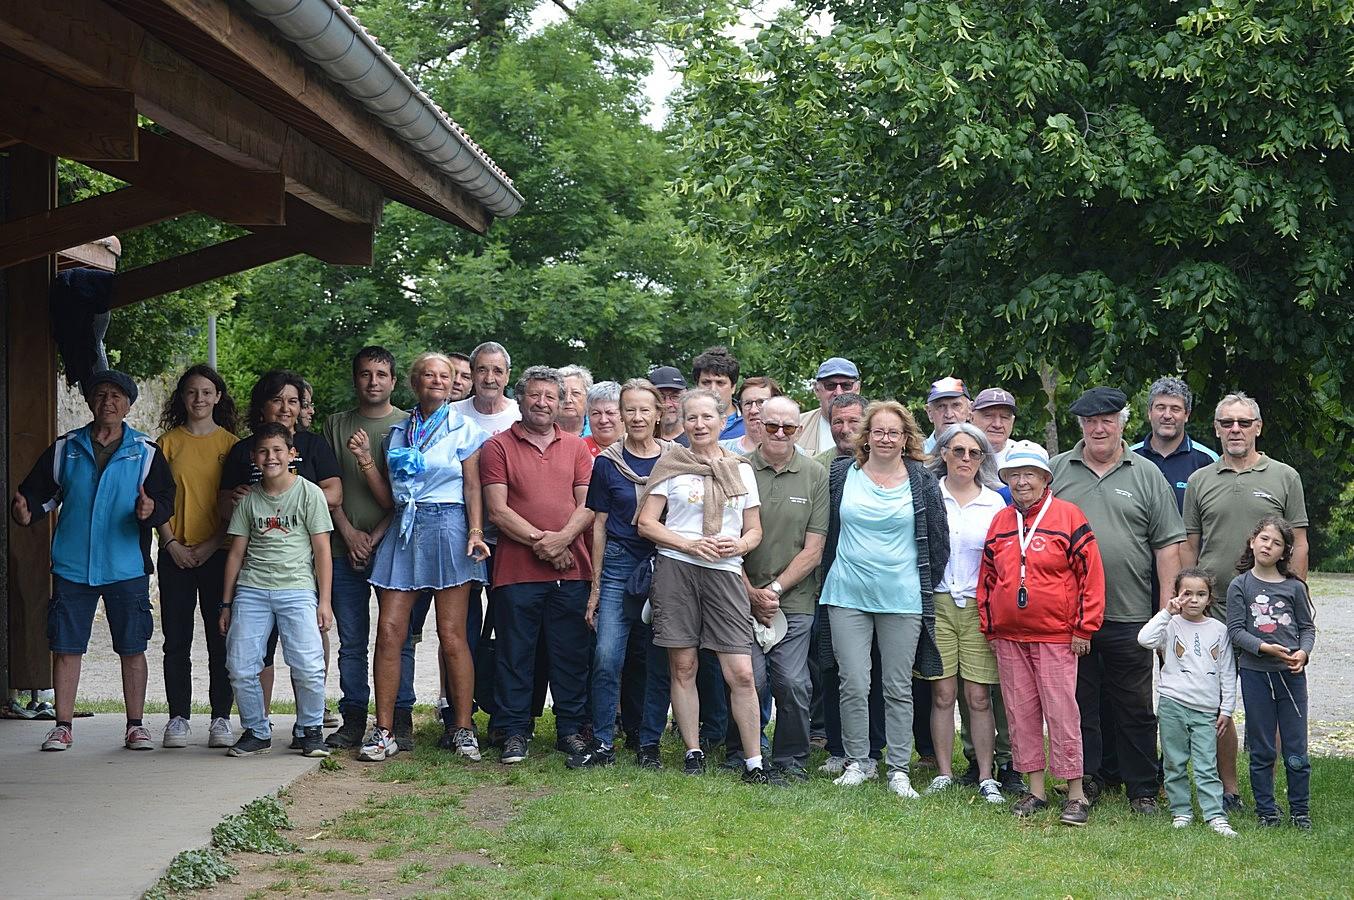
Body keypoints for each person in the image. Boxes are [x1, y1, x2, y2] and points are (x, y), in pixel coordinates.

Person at [16, 371, 175, 753]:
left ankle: (135, 726)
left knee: (132, 647)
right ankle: (62, 726)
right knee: (67, 647)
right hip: (73, 566)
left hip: (126, 569)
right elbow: (40, 495)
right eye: (100, 394)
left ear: (129, 405)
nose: (108, 401)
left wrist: (150, 510)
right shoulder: (65, 448)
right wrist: (24, 512)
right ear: (89, 402)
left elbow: (165, 501)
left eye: (117, 396)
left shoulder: (146, 451)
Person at [1049, 386, 1184, 812]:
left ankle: (1142, 788)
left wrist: (1165, 614)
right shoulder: (1057, 472)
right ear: (1081, 426)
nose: (1099, 428)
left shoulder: (1146, 474)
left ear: (1123, 423)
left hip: (1131, 614)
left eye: (1107, 420)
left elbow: (1167, 549)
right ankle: (1085, 779)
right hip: (1070, 617)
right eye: (1090, 421)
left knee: (1135, 707)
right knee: (1079, 703)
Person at [352, 353, 492, 763]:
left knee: (452, 635)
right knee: (391, 631)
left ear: (453, 384)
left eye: (443, 376)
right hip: (405, 529)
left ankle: (464, 728)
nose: (435, 380)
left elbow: (472, 488)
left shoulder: (464, 428)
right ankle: (384, 730)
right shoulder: (397, 433)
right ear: (413, 383)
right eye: (427, 375)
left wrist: (476, 532)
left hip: (449, 526)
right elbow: (388, 499)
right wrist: (363, 460)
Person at [1181, 390, 1308, 810]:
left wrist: (1296, 597)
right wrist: (1186, 598)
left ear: (1258, 428)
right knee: (1218, 700)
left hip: (1270, 614)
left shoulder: (1284, 476)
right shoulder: (1201, 480)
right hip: (1214, 610)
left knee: (1267, 699)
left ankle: (1265, 790)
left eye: (1243, 422)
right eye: (1226, 423)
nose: (1235, 430)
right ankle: (1230, 789)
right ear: (1216, 429)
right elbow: (1190, 546)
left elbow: (1300, 543)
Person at [636, 388, 769, 782]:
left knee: (741, 672)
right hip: (677, 568)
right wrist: (688, 543)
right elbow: (647, 523)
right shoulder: (671, 463)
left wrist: (740, 544)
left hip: (726, 572)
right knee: (684, 664)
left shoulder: (741, 468)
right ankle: (693, 751)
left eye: (706, 418)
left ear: (721, 419)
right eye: (691, 418)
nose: (698, 425)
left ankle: (754, 761)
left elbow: (754, 528)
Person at [819, 400, 948, 800]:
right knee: (853, 681)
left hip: (902, 596)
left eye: (894, 432)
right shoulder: (842, 473)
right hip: (846, 592)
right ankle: (859, 762)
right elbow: (827, 531)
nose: (886, 438)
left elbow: (938, 539)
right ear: (866, 436)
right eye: (878, 431)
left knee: (897, 685)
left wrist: (921, 580)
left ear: (906, 437)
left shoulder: (921, 479)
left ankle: (898, 769)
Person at [978, 440, 1105, 825]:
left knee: (1062, 711)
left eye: (1029, 474)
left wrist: (1085, 627)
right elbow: (987, 575)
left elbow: (1092, 575)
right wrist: (990, 624)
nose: (1021, 482)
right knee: (1020, 712)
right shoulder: (1001, 521)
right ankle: (1034, 790)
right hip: (1010, 636)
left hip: (1057, 635)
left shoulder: (1068, 516)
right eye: (1014, 475)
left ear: (1045, 478)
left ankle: (1076, 794)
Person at [480, 366, 596, 764]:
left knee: (570, 655)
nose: (543, 403)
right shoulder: (497, 447)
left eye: (551, 396)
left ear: (560, 401)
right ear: (521, 398)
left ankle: (570, 731)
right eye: (534, 395)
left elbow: (587, 506)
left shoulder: (578, 448)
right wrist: (545, 544)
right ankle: (514, 730)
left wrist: (562, 540)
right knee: (515, 653)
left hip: (572, 570)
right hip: (516, 572)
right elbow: (497, 510)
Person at [219, 369, 341, 737]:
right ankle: (256, 730)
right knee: (241, 664)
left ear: (293, 454)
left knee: (307, 662)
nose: (286, 407)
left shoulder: (309, 484)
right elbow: (235, 550)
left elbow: (323, 547)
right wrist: (226, 604)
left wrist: (324, 600)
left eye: (293, 400)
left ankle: (311, 728)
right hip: (253, 587)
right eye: (277, 399)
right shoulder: (247, 485)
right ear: (254, 456)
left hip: (298, 586)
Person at [570, 379, 669, 768]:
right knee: (608, 655)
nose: (638, 416)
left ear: (659, 413)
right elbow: (598, 524)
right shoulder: (607, 463)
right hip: (619, 563)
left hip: (665, 564)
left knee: (658, 657)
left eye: (646, 409)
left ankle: (649, 744)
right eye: (630, 409)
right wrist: (595, 587)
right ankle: (604, 743)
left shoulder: (677, 458)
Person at [320, 347, 409, 750]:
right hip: (342, 549)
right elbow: (326, 489)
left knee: (398, 636)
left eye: (381, 374)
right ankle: (353, 717)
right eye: (365, 374)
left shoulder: (409, 424)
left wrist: (374, 537)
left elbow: (407, 495)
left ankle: (400, 718)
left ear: (393, 380)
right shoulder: (335, 425)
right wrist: (349, 533)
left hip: (396, 549)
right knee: (352, 640)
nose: (373, 381)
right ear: (354, 379)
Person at [741, 396, 829, 781]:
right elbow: (723, 536)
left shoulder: (814, 474)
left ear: (798, 429)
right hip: (739, 593)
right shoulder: (738, 469)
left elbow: (814, 549)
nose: (779, 433)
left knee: (793, 681)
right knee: (750, 679)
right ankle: (742, 751)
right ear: (758, 424)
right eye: (772, 425)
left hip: (792, 597)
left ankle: (791, 758)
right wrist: (750, 592)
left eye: (788, 428)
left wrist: (773, 590)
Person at [154, 364, 240, 749]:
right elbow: (155, 502)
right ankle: (178, 718)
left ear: (218, 397)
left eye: (207, 392)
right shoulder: (166, 444)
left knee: (220, 638)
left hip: (219, 553)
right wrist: (171, 543)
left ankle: (221, 718)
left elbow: (238, 507)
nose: (199, 399)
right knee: (176, 639)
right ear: (182, 398)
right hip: (175, 553)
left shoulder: (233, 446)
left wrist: (210, 545)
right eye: (192, 392)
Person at [922, 424, 1007, 802]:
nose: (966, 459)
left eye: (975, 453)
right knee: (942, 693)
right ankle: (943, 772)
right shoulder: (928, 495)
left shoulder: (994, 503)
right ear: (943, 453)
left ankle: (986, 775)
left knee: (978, 696)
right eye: (958, 451)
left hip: (978, 605)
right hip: (938, 602)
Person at [1226, 515, 1316, 829]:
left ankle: (1300, 811)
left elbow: (1307, 628)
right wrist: (1264, 648)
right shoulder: (1240, 585)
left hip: (1291, 676)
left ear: (1284, 553)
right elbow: (1236, 631)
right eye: (1264, 538)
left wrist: (1303, 653)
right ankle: (1266, 811)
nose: (1269, 545)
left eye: (1277, 543)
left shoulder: (1294, 587)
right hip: (1255, 675)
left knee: (1295, 749)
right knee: (1262, 748)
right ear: (1252, 542)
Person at [1137, 567, 1237, 837]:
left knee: (1206, 763)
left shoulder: (1219, 630)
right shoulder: (1170, 624)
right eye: (1187, 594)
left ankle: (1214, 815)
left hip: (1206, 710)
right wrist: (1167, 612)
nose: (1194, 599)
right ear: (1177, 596)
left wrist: (1226, 708)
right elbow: (1144, 639)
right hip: (1172, 705)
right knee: (1174, 762)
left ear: (1210, 598)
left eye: (1201, 594)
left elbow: (1228, 672)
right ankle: (1181, 810)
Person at [1130, 377, 1218, 511]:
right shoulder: (1129, 458)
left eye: (1175, 409)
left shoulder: (1208, 461)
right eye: (1160, 408)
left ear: (1187, 414)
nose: (1167, 415)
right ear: (1149, 412)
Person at [452, 341, 521, 435]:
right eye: (482, 370)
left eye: (497, 371)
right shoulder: (453, 413)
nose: (489, 379)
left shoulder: (521, 414)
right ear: (472, 374)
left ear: (507, 376)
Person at [796, 358, 861, 455]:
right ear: (816, 390)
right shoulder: (795, 427)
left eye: (846, 385)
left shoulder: (875, 426)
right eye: (830, 385)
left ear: (857, 389)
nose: (838, 393)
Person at [691, 346, 745, 439]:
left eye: (720, 383)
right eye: (706, 382)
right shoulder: (685, 424)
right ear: (697, 386)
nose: (713, 389)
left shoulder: (749, 424)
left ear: (733, 387)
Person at [719, 376, 781, 456]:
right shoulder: (721, 451)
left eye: (761, 402)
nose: (753, 410)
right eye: (748, 403)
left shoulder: (792, 453)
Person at [814, 392, 866, 469]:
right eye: (838, 422)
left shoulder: (884, 462)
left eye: (853, 421)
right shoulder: (815, 467)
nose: (845, 430)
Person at [970, 388, 1017, 469]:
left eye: (1004, 417)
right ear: (971, 418)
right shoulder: (957, 454)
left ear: (1012, 422)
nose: (997, 425)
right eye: (988, 416)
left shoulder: (1024, 456)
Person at [922, 377, 971, 454]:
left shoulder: (980, 453)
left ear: (969, 410)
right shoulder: (915, 455)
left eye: (956, 405)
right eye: (941, 406)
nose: (949, 415)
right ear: (929, 413)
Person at [649, 366, 690, 446]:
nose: (667, 404)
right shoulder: (640, 439)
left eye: (675, 397)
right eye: (661, 397)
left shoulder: (697, 437)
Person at [582, 381, 622, 456]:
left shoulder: (641, 448)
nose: (603, 420)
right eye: (596, 413)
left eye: (610, 413)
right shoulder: (577, 449)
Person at [558, 365, 594, 437]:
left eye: (575, 393)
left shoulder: (598, 430)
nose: (568, 400)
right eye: (562, 393)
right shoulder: (539, 432)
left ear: (587, 397)